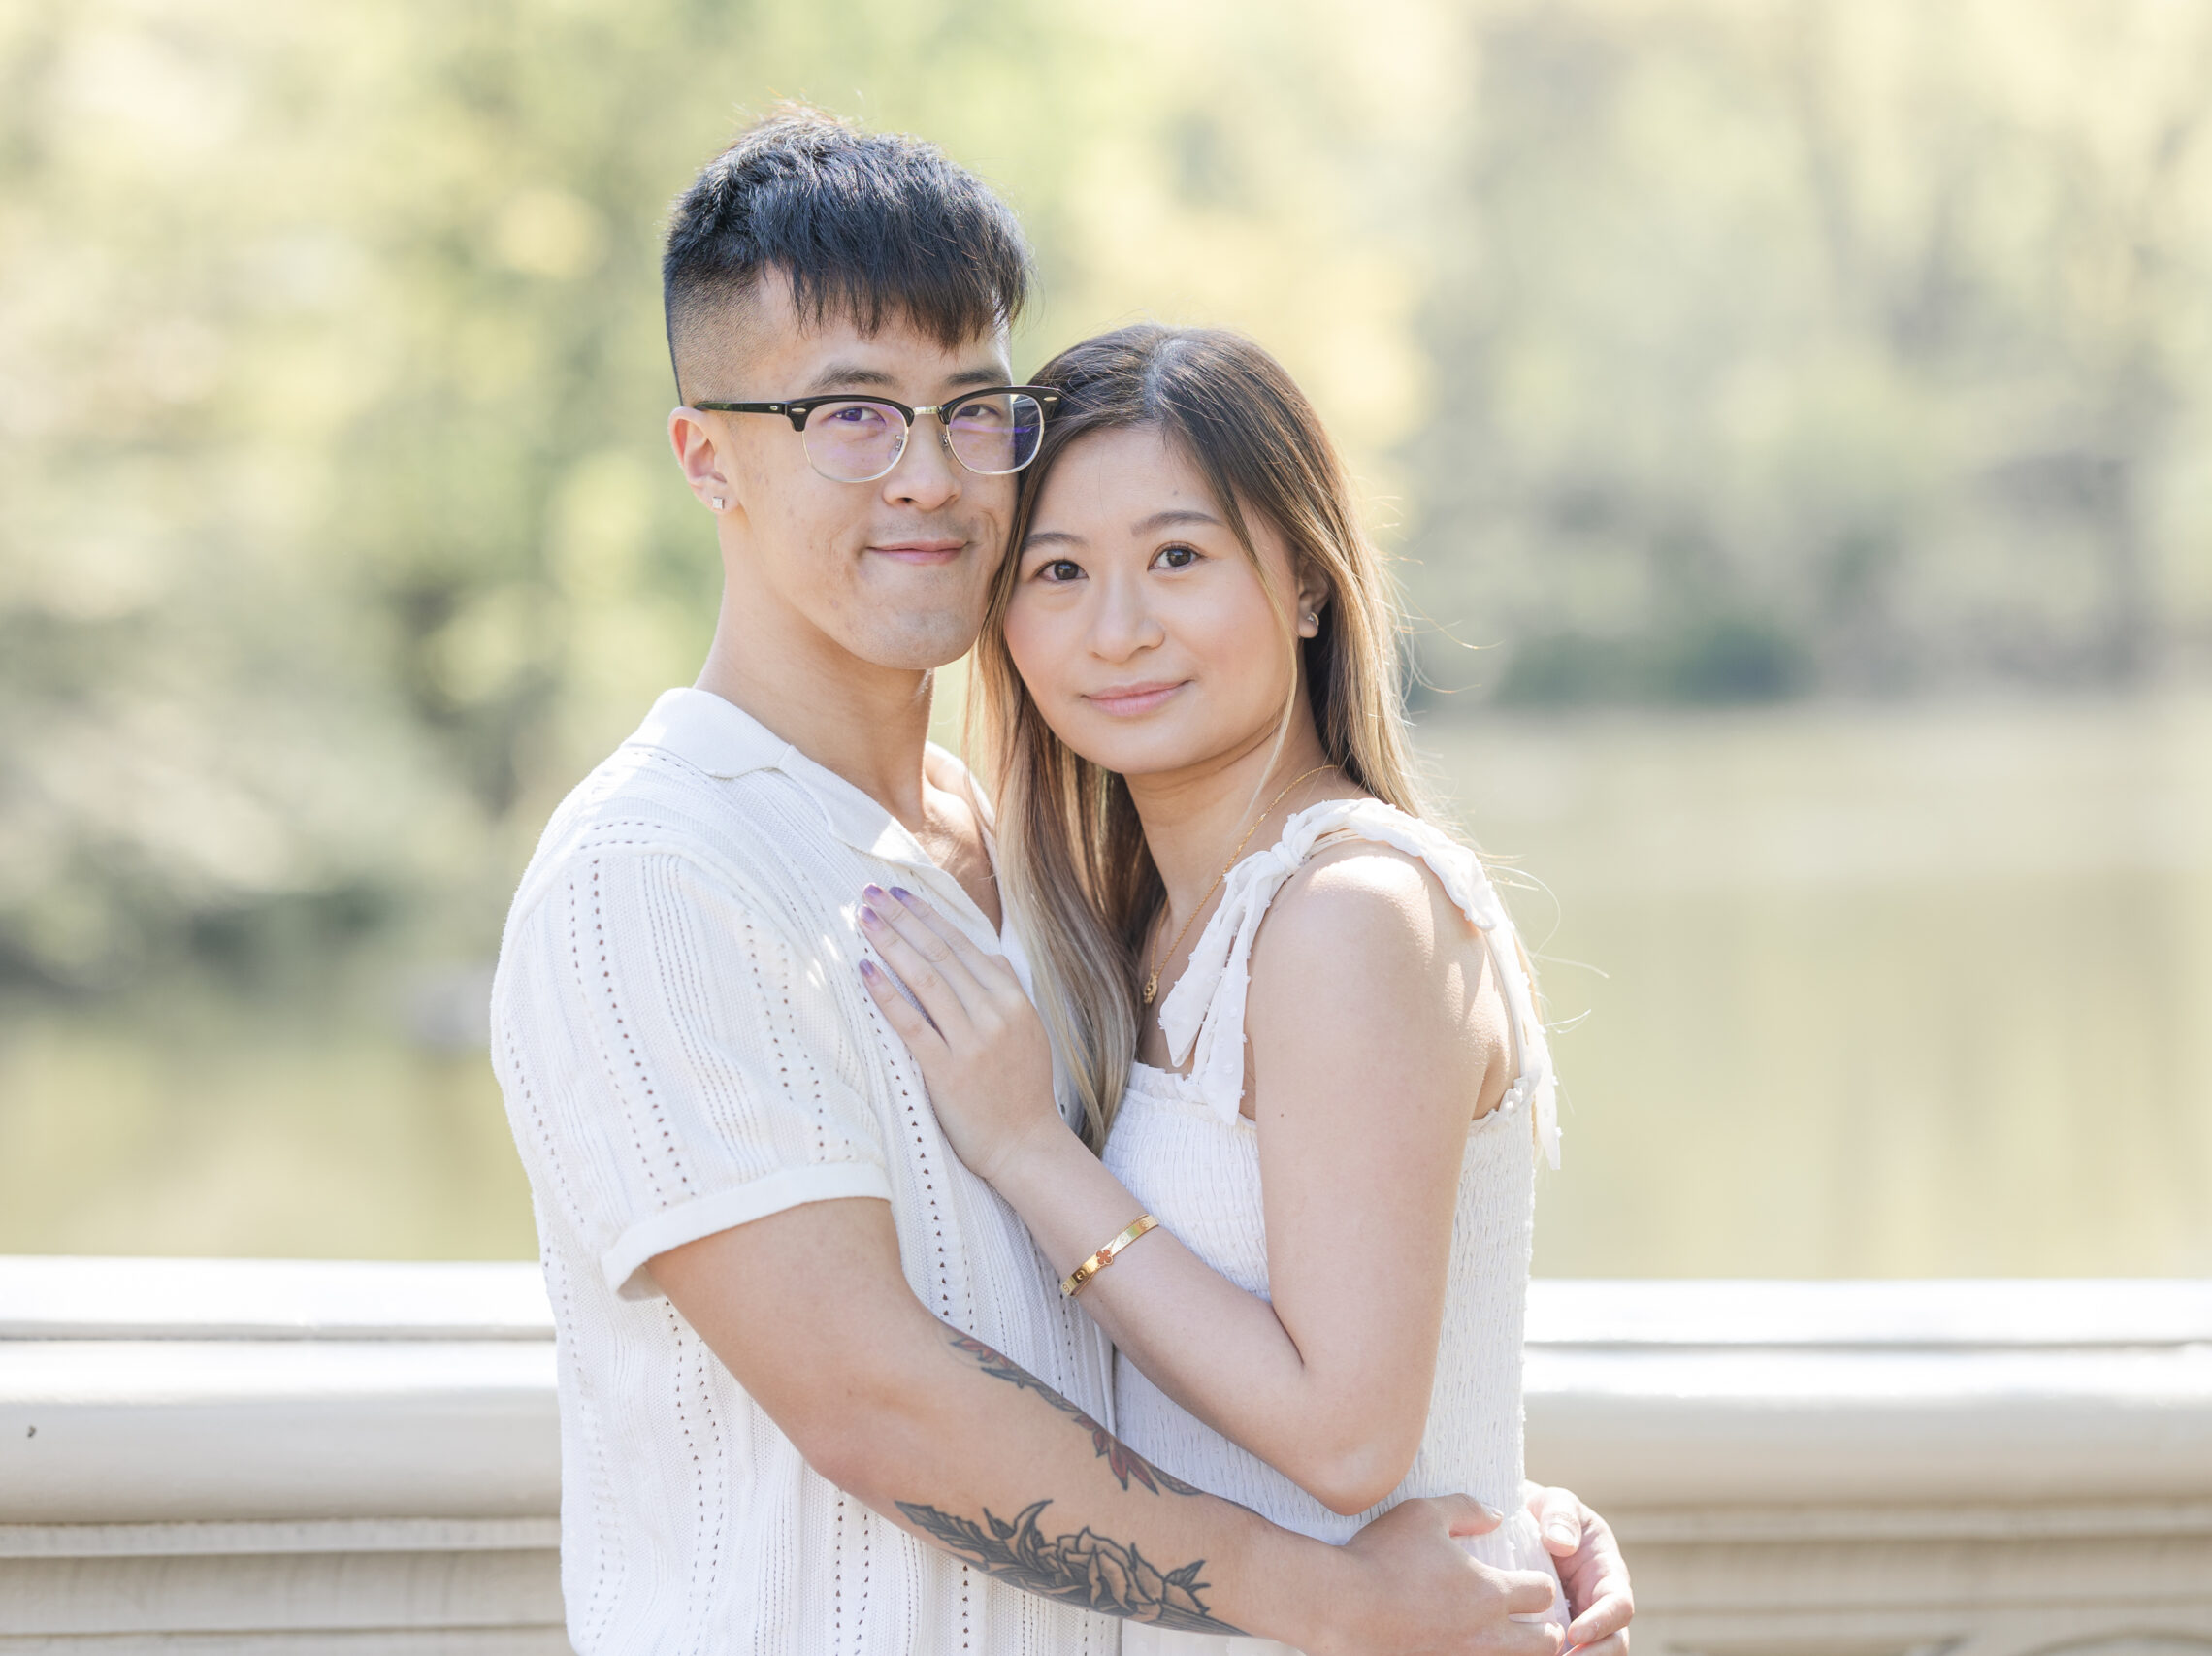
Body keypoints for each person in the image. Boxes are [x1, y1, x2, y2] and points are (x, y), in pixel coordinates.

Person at [489, 104, 1634, 1655]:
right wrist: (1344, 1592)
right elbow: (879, 1407)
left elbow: (1217, 1324)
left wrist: (1476, 1500)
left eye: (970, 409)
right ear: (709, 458)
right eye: (848, 415)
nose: (926, 477)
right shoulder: (651, 873)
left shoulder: (1035, 877)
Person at [856, 323, 1585, 1656]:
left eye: (1178, 558)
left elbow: (1350, 1439)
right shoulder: (1121, 929)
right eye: (1059, 570)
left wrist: (1027, 1146)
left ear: (1305, 579)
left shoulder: (1349, 914)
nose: (1117, 629)